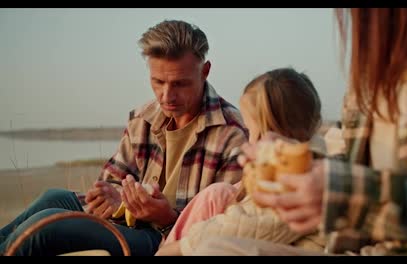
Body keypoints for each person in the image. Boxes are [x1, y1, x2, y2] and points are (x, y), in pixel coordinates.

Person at [189, 8, 407, 256]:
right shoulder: (370, 75)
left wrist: (344, 195)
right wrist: (304, 174)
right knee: (214, 249)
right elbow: (360, 173)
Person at [0, 20, 247, 256]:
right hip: (129, 222)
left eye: (180, 84)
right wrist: (114, 197)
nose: (166, 96)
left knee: (47, 226)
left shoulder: (232, 133)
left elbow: (221, 232)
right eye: (158, 82)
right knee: (52, 197)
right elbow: (109, 182)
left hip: (166, 239)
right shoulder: (143, 118)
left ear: (205, 71)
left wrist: (166, 217)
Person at [155, 67, 325, 256]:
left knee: (208, 246)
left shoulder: (298, 174)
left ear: (266, 136)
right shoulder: (304, 163)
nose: (248, 141)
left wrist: (182, 246)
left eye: (251, 131)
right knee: (217, 193)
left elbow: (249, 226)